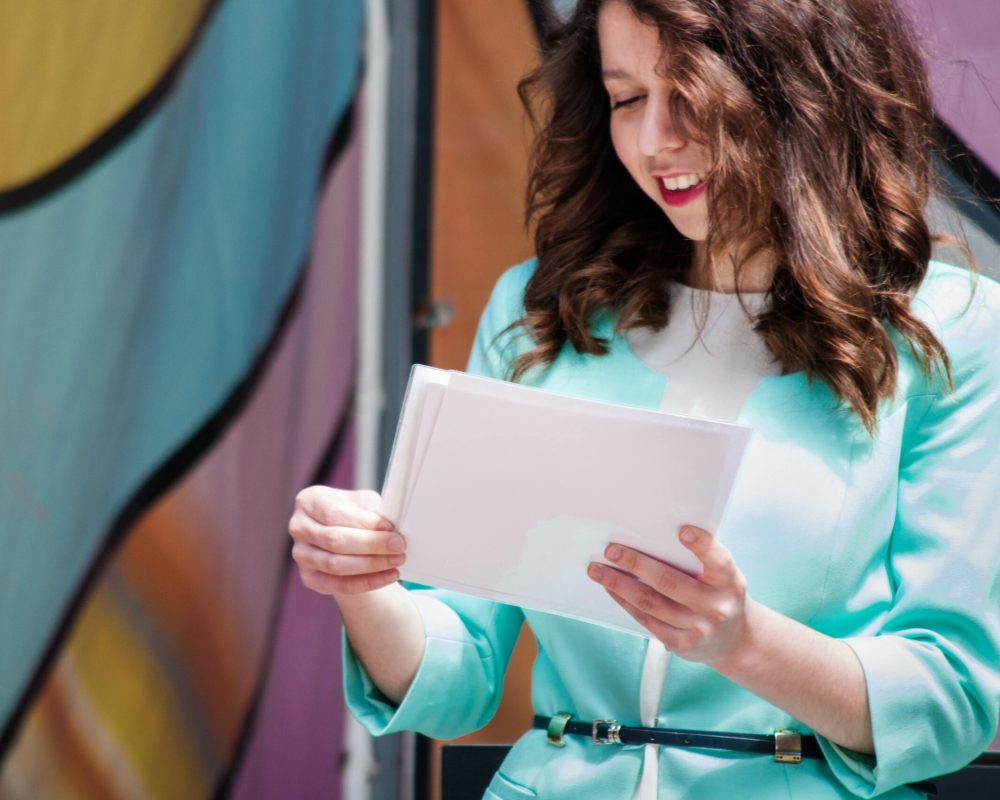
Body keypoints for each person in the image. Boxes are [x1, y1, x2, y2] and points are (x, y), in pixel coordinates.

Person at [288, 0, 1000, 797]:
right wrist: (365, 586)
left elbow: (950, 699)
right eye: (627, 98)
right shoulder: (541, 312)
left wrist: (740, 641)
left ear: (800, 87)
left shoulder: (954, 331)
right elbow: (457, 677)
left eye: (689, 93)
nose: (655, 139)